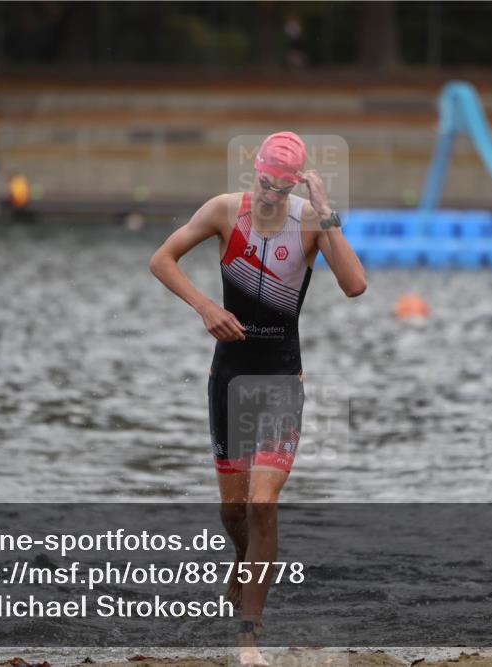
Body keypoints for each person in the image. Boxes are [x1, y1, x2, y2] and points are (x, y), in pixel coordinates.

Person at [149, 131, 366, 663]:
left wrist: (326, 211)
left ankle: (250, 634)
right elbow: (163, 259)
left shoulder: (311, 221)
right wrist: (205, 307)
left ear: (295, 184)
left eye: (281, 187)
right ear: (255, 172)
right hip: (229, 380)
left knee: (263, 503)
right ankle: (242, 559)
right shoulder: (225, 212)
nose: (270, 195)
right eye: (265, 183)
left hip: (281, 382)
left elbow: (355, 284)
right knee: (234, 512)